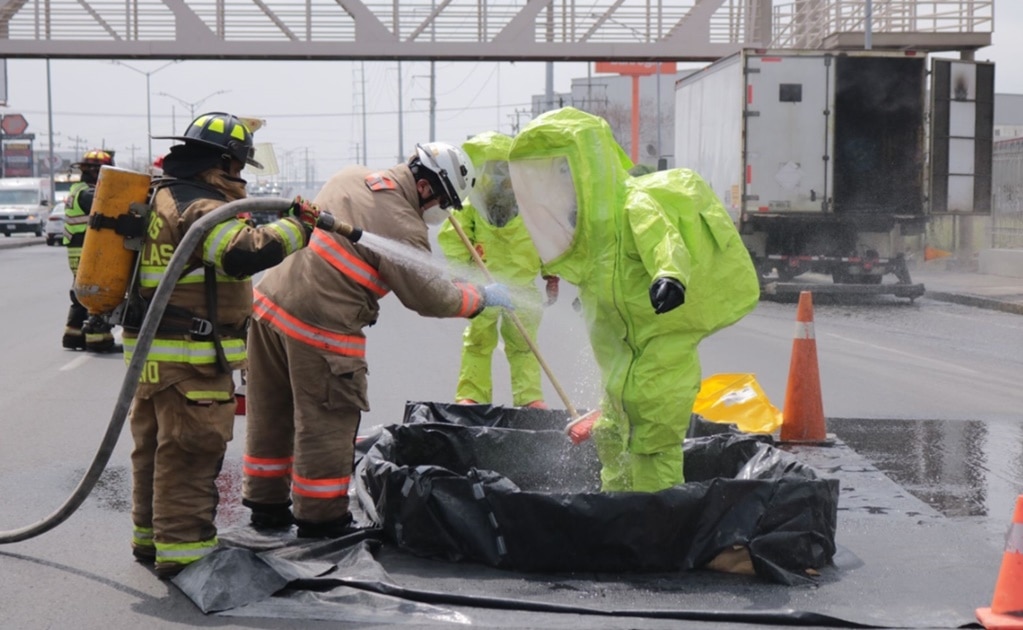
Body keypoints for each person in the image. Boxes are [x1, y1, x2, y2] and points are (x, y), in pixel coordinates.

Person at [241, 141, 514, 538]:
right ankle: (322, 518)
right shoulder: (404, 225)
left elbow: (420, 275)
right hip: (322, 329)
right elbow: (430, 297)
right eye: (446, 201)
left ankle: (265, 506)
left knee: (271, 414)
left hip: (267, 309)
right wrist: (480, 298)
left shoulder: (351, 175)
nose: (445, 211)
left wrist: (454, 281)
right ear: (426, 189)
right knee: (326, 423)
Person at [507, 107, 760, 493]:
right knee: (613, 433)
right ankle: (620, 511)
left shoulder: (634, 205)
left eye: (563, 169)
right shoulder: (589, 228)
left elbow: (664, 242)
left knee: (653, 440)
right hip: (621, 355)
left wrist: (669, 277)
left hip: (660, 340)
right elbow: (603, 271)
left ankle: (657, 522)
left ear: (587, 163)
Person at [125, 112, 319, 578]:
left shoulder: (164, 194)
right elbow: (242, 253)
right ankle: (185, 552)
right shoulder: (200, 206)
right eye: (239, 167)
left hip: (155, 357)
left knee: (155, 449)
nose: (243, 177)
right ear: (226, 164)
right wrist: (298, 228)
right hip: (190, 357)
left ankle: (149, 539)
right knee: (191, 451)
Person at [437, 131, 558, 409]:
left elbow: (454, 239)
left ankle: (477, 396)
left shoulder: (475, 200)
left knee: (488, 342)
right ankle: (527, 399)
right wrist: (551, 274)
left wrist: (460, 273)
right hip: (497, 286)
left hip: (485, 286)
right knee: (519, 345)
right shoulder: (526, 200)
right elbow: (547, 239)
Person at [61, 148, 118, 352]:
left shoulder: (78, 189)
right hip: (88, 249)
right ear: (97, 171)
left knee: (81, 293)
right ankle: (98, 339)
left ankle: (73, 334)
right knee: (96, 292)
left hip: (78, 248)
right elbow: (109, 206)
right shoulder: (88, 193)